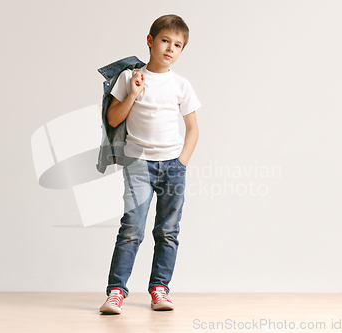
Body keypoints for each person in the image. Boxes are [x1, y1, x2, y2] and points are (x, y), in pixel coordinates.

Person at [99, 14, 201, 314]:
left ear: (182, 51)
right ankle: (116, 292)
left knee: (168, 231)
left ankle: (160, 289)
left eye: (178, 45)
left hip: (172, 166)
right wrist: (133, 93)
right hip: (138, 165)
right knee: (131, 228)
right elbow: (114, 118)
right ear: (150, 41)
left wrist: (181, 163)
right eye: (165, 40)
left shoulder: (181, 85)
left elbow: (193, 129)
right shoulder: (129, 78)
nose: (170, 48)